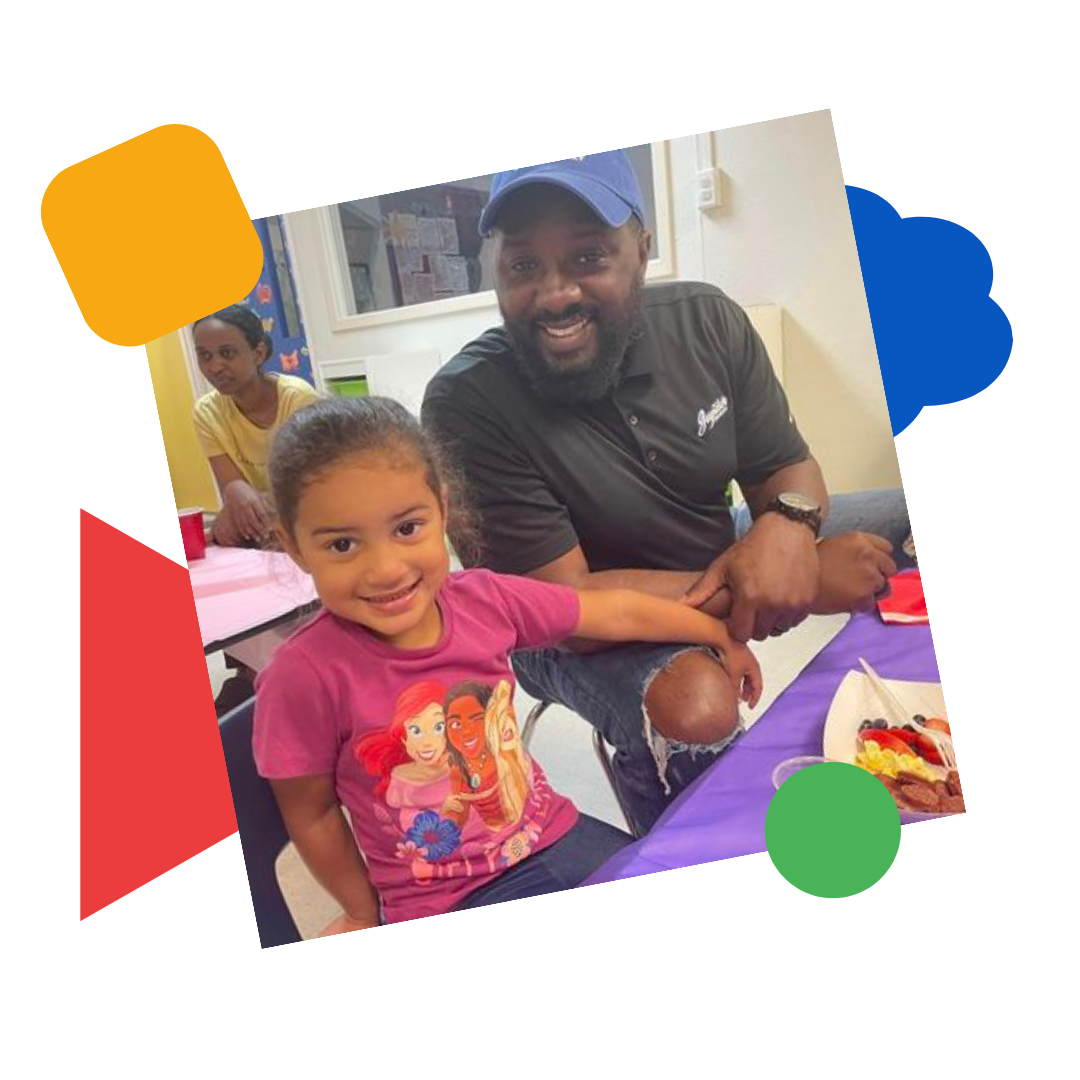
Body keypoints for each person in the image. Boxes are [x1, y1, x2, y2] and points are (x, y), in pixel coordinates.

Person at [421, 150, 911, 837]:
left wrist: (787, 531)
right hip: (554, 623)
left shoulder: (708, 321)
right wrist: (774, 586)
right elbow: (569, 609)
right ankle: (686, 845)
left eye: (590, 257)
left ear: (642, 250)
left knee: (902, 518)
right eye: (524, 265)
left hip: (707, 546)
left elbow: (790, 470)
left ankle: (913, 732)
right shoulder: (466, 403)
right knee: (697, 705)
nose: (556, 293)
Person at [251, 395, 763, 931]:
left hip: (555, 835)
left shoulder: (483, 599)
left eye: (407, 529)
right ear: (294, 547)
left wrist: (716, 634)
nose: (384, 569)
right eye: (342, 544)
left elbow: (611, 611)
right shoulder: (301, 674)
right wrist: (360, 910)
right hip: (443, 896)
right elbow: (310, 811)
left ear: (442, 511)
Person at [190, 303, 320, 714]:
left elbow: (311, 487)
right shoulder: (207, 411)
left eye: (228, 353)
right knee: (222, 541)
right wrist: (239, 503)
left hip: (306, 512)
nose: (215, 366)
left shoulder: (297, 400)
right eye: (205, 355)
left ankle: (290, 667)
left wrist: (250, 503)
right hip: (258, 518)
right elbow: (233, 488)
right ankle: (248, 673)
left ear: (258, 353)